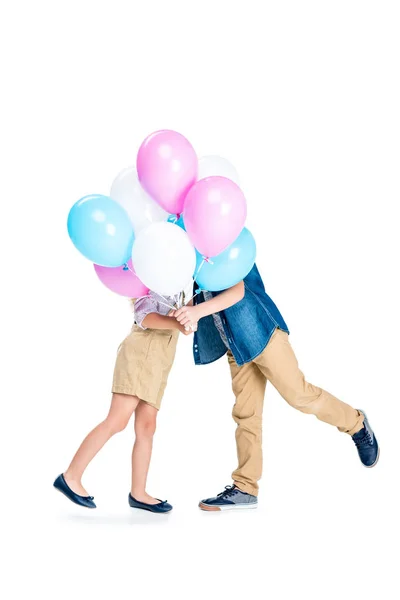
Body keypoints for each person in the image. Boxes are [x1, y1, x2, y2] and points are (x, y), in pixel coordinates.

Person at [174, 264, 379, 511]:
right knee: (245, 414)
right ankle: (245, 488)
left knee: (299, 395)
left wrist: (197, 311)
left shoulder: (219, 241)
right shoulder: (193, 255)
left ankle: (356, 424)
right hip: (235, 345)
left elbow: (237, 290)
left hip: (261, 332)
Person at [54, 285, 244, 513]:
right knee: (117, 420)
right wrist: (177, 323)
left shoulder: (178, 277)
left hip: (159, 359)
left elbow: (183, 311)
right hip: (140, 352)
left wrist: (188, 315)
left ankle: (139, 492)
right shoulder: (152, 275)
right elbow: (143, 316)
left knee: (146, 427)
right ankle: (71, 476)